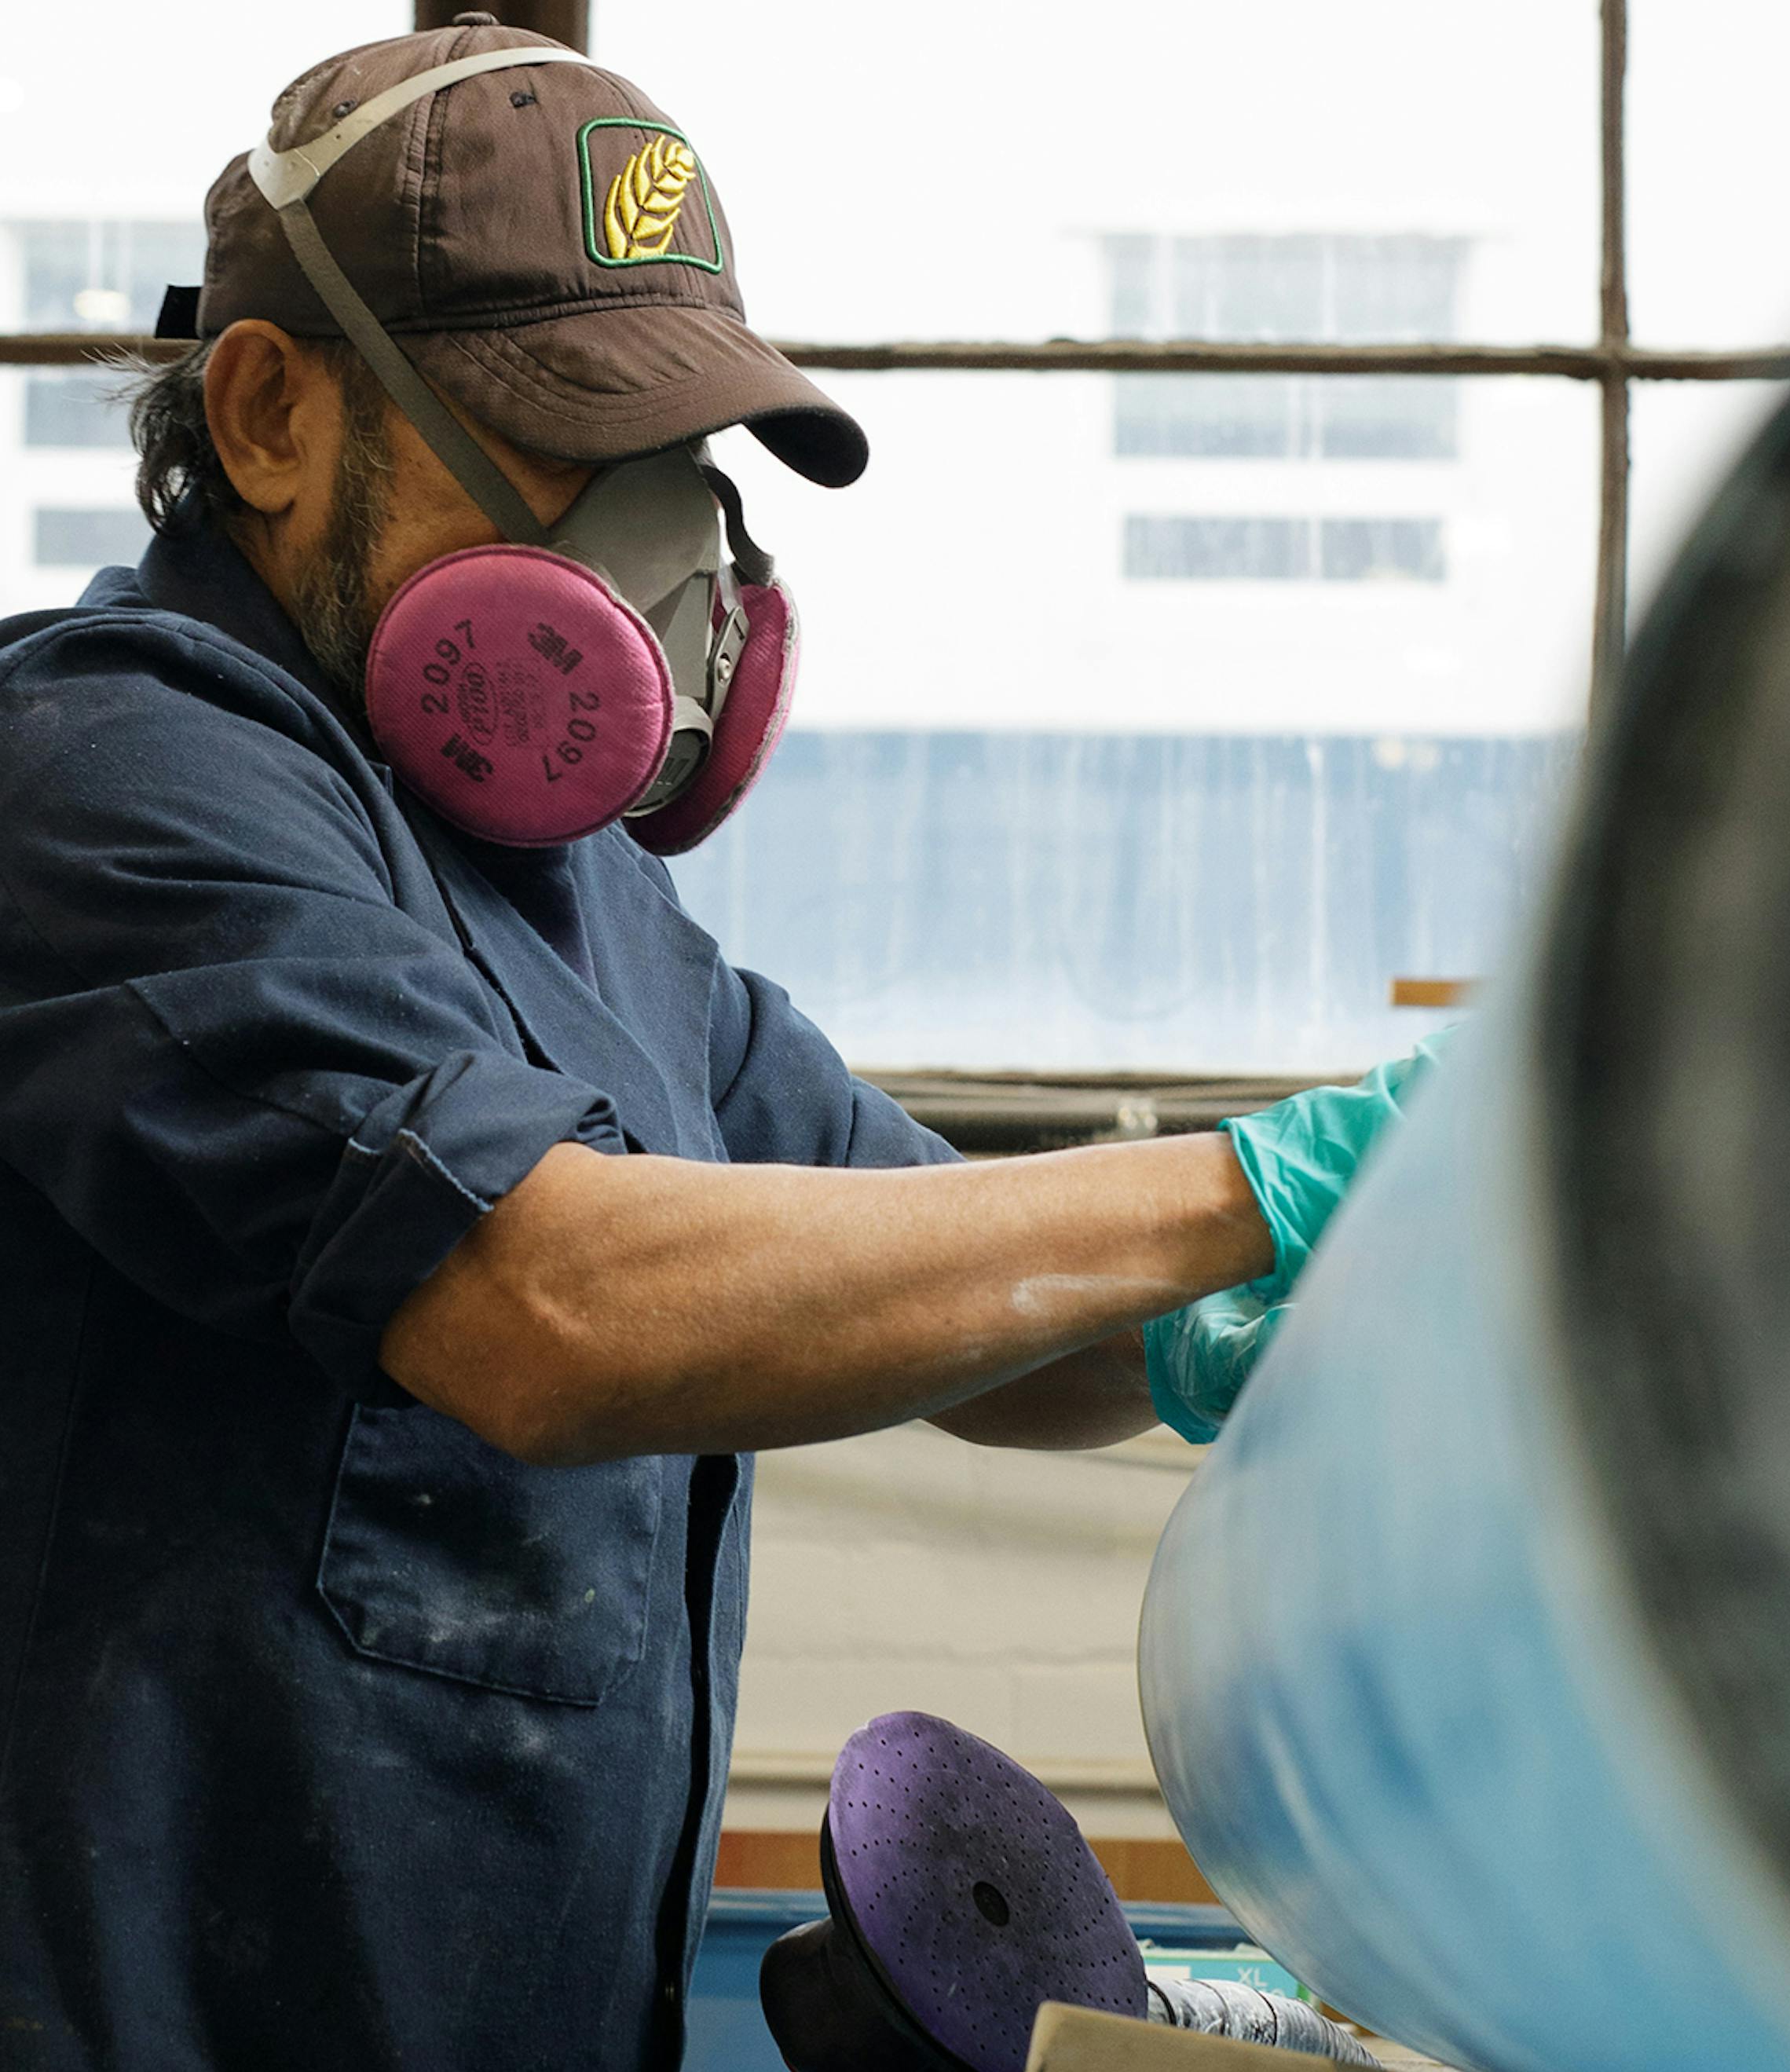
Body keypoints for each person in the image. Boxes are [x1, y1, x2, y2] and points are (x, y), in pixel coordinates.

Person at [0, 19, 1436, 2070]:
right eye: (579, 442)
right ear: (267, 415)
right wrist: (1245, 1185)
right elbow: (548, 1307)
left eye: (699, 469)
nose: (677, 558)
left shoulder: (601, 914)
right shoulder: (110, 780)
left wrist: (1315, 1280)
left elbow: (987, 1302)